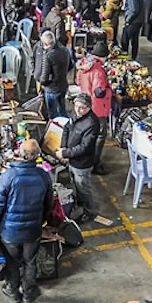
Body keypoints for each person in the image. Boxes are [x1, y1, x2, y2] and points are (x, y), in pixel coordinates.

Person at [0, 140, 55, 303]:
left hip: (10, 233)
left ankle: (12, 291)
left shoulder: (9, 176)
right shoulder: (43, 176)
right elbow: (49, 203)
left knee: (12, 263)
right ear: (37, 156)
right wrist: (42, 220)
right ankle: (28, 293)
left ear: (20, 153)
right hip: (33, 231)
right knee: (30, 262)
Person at [57, 94, 104, 224]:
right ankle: (80, 204)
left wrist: (65, 153)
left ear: (89, 108)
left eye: (82, 108)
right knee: (76, 185)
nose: (78, 110)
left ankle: (90, 212)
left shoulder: (91, 124)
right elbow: (66, 128)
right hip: (72, 159)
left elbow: (84, 147)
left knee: (84, 189)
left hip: (82, 164)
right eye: (76, 106)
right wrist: (63, 148)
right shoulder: (76, 114)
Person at [74, 42, 112, 173]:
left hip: (86, 103)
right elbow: (98, 92)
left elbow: (78, 81)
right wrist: (109, 91)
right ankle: (95, 163)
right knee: (100, 135)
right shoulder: (98, 71)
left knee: (87, 134)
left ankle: (86, 159)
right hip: (97, 107)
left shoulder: (84, 64)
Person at [35, 30, 72, 119]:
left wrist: (43, 83)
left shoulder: (48, 55)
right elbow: (71, 66)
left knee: (53, 114)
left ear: (45, 43)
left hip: (51, 89)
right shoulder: (65, 50)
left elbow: (44, 77)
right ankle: (66, 128)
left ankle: (57, 131)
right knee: (62, 110)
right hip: (63, 85)